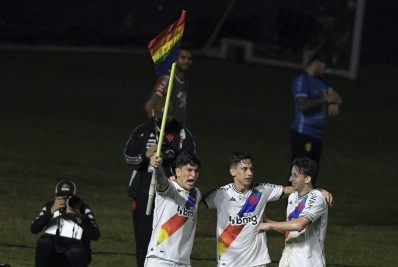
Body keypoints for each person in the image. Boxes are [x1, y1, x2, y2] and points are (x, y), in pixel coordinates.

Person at [202, 151, 332, 267]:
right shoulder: (220, 194)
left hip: (258, 261)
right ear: (233, 171)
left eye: (251, 169)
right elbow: (194, 202)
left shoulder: (262, 190)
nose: (249, 173)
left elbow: (298, 191)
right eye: (245, 169)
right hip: (229, 260)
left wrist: (317, 191)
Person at [124, 95, 196, 267]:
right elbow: (128, 157)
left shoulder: (182, 133)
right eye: (161, 116)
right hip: (142, 192)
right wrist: (146, 155)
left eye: (169, 117)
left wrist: (169, 155)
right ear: (154, 112)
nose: (165, 121)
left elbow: (191, 161)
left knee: (165, 241)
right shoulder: (142, 131)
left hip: (170, 194)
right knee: (143, 241)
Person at [258, 157, 328, 267]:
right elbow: (291, 229)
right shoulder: (293, 197)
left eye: (295, 175)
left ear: (307, 179)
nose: (290, 179)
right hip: (288, 258)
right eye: (291, 174)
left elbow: (299, 225)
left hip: (308, 261)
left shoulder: (317, 198)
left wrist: (269, 225)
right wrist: (263, 217)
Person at [144, 152, 201, 267]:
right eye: (189, 170)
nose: (193, 175)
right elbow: (161, 181)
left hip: (184, 262)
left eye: (196, 171)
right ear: (178, 171)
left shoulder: (196, 194)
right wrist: (158, 167)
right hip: (159, 260)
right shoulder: (169, 190)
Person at [290, 50, 343, 170]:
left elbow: (338, 98)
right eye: (326, 66)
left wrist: (333, 101)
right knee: (299, 176)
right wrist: (325, 99)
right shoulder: (302, 80)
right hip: (303, 133)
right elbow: (302, 105)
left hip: (317, 135)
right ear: (317, 63)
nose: (328, 70)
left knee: (310, 177)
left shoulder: (321, 82)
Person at [31, 180, 100, 267]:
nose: (65, 200)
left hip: (76, 252)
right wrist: (51, 211)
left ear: (75, 197)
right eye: (61, 196)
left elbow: (96, 235)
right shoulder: (50, 206)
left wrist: (78, 217)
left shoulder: (82, 208)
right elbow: (33, 229)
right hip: (54, 252)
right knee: (44, 242)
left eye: (69, 197)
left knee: (75, 250)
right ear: (56, 196)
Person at [145, 47, 192, 126]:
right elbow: (150, 106)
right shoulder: (167, 80)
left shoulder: (185, 83)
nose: (186, 61)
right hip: (167, 132)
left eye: (189, 59)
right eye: (183, 58)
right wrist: (157, 127)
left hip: (179, 131)